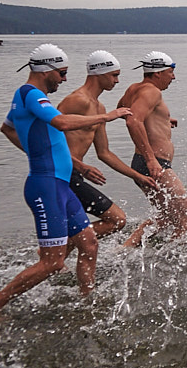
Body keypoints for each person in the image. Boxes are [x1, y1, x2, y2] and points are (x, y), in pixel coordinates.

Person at [0, 44, 132, 315]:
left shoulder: (24, 97)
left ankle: (87, 301)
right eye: (62, 73)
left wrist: (39, 153)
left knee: (89, 243)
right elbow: (62, 123)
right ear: (46, 70)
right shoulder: (31, 94)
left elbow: (7, 129)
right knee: (53, 263)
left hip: (59, 184)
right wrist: (110, 115)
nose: (65, 79)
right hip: (46, 185)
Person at [57, 51, 156, 240]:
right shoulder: (77, 100)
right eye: (114, 75)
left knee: (108, 223)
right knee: (116, 220)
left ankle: (59, 251)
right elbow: (48, 138)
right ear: (99, 74)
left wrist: (138, 176)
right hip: (62, 174)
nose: (117, 81)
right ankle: (59, 248)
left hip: (74, 174)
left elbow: (104, 153)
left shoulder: (99, 108)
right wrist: (81, 165)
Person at [117, 51, 187, 247]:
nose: (173, 77)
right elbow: (133, 121)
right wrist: (151, 159)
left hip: (143, 163)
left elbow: (122, 110)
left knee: (166, 217)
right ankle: (175, 264)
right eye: (171, 72)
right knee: (186, 220)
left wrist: (161, 119)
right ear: (158, 72)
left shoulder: (134, 89)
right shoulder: (152, 91)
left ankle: (123, 251)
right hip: (155, 164)